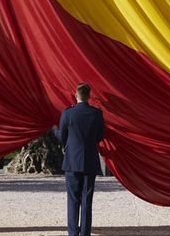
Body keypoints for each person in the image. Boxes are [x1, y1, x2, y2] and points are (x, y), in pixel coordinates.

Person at [58, 83, 105, 236]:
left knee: (73, 199)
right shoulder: (97, 114)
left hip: (72, 161)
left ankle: (73, 233)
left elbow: (62, 136)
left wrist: (53, 130)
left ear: (76, 95)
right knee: (87, 200)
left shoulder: (68, 113)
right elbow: (100, 136)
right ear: (89, 96)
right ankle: (85, 233)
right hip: (90, 161)